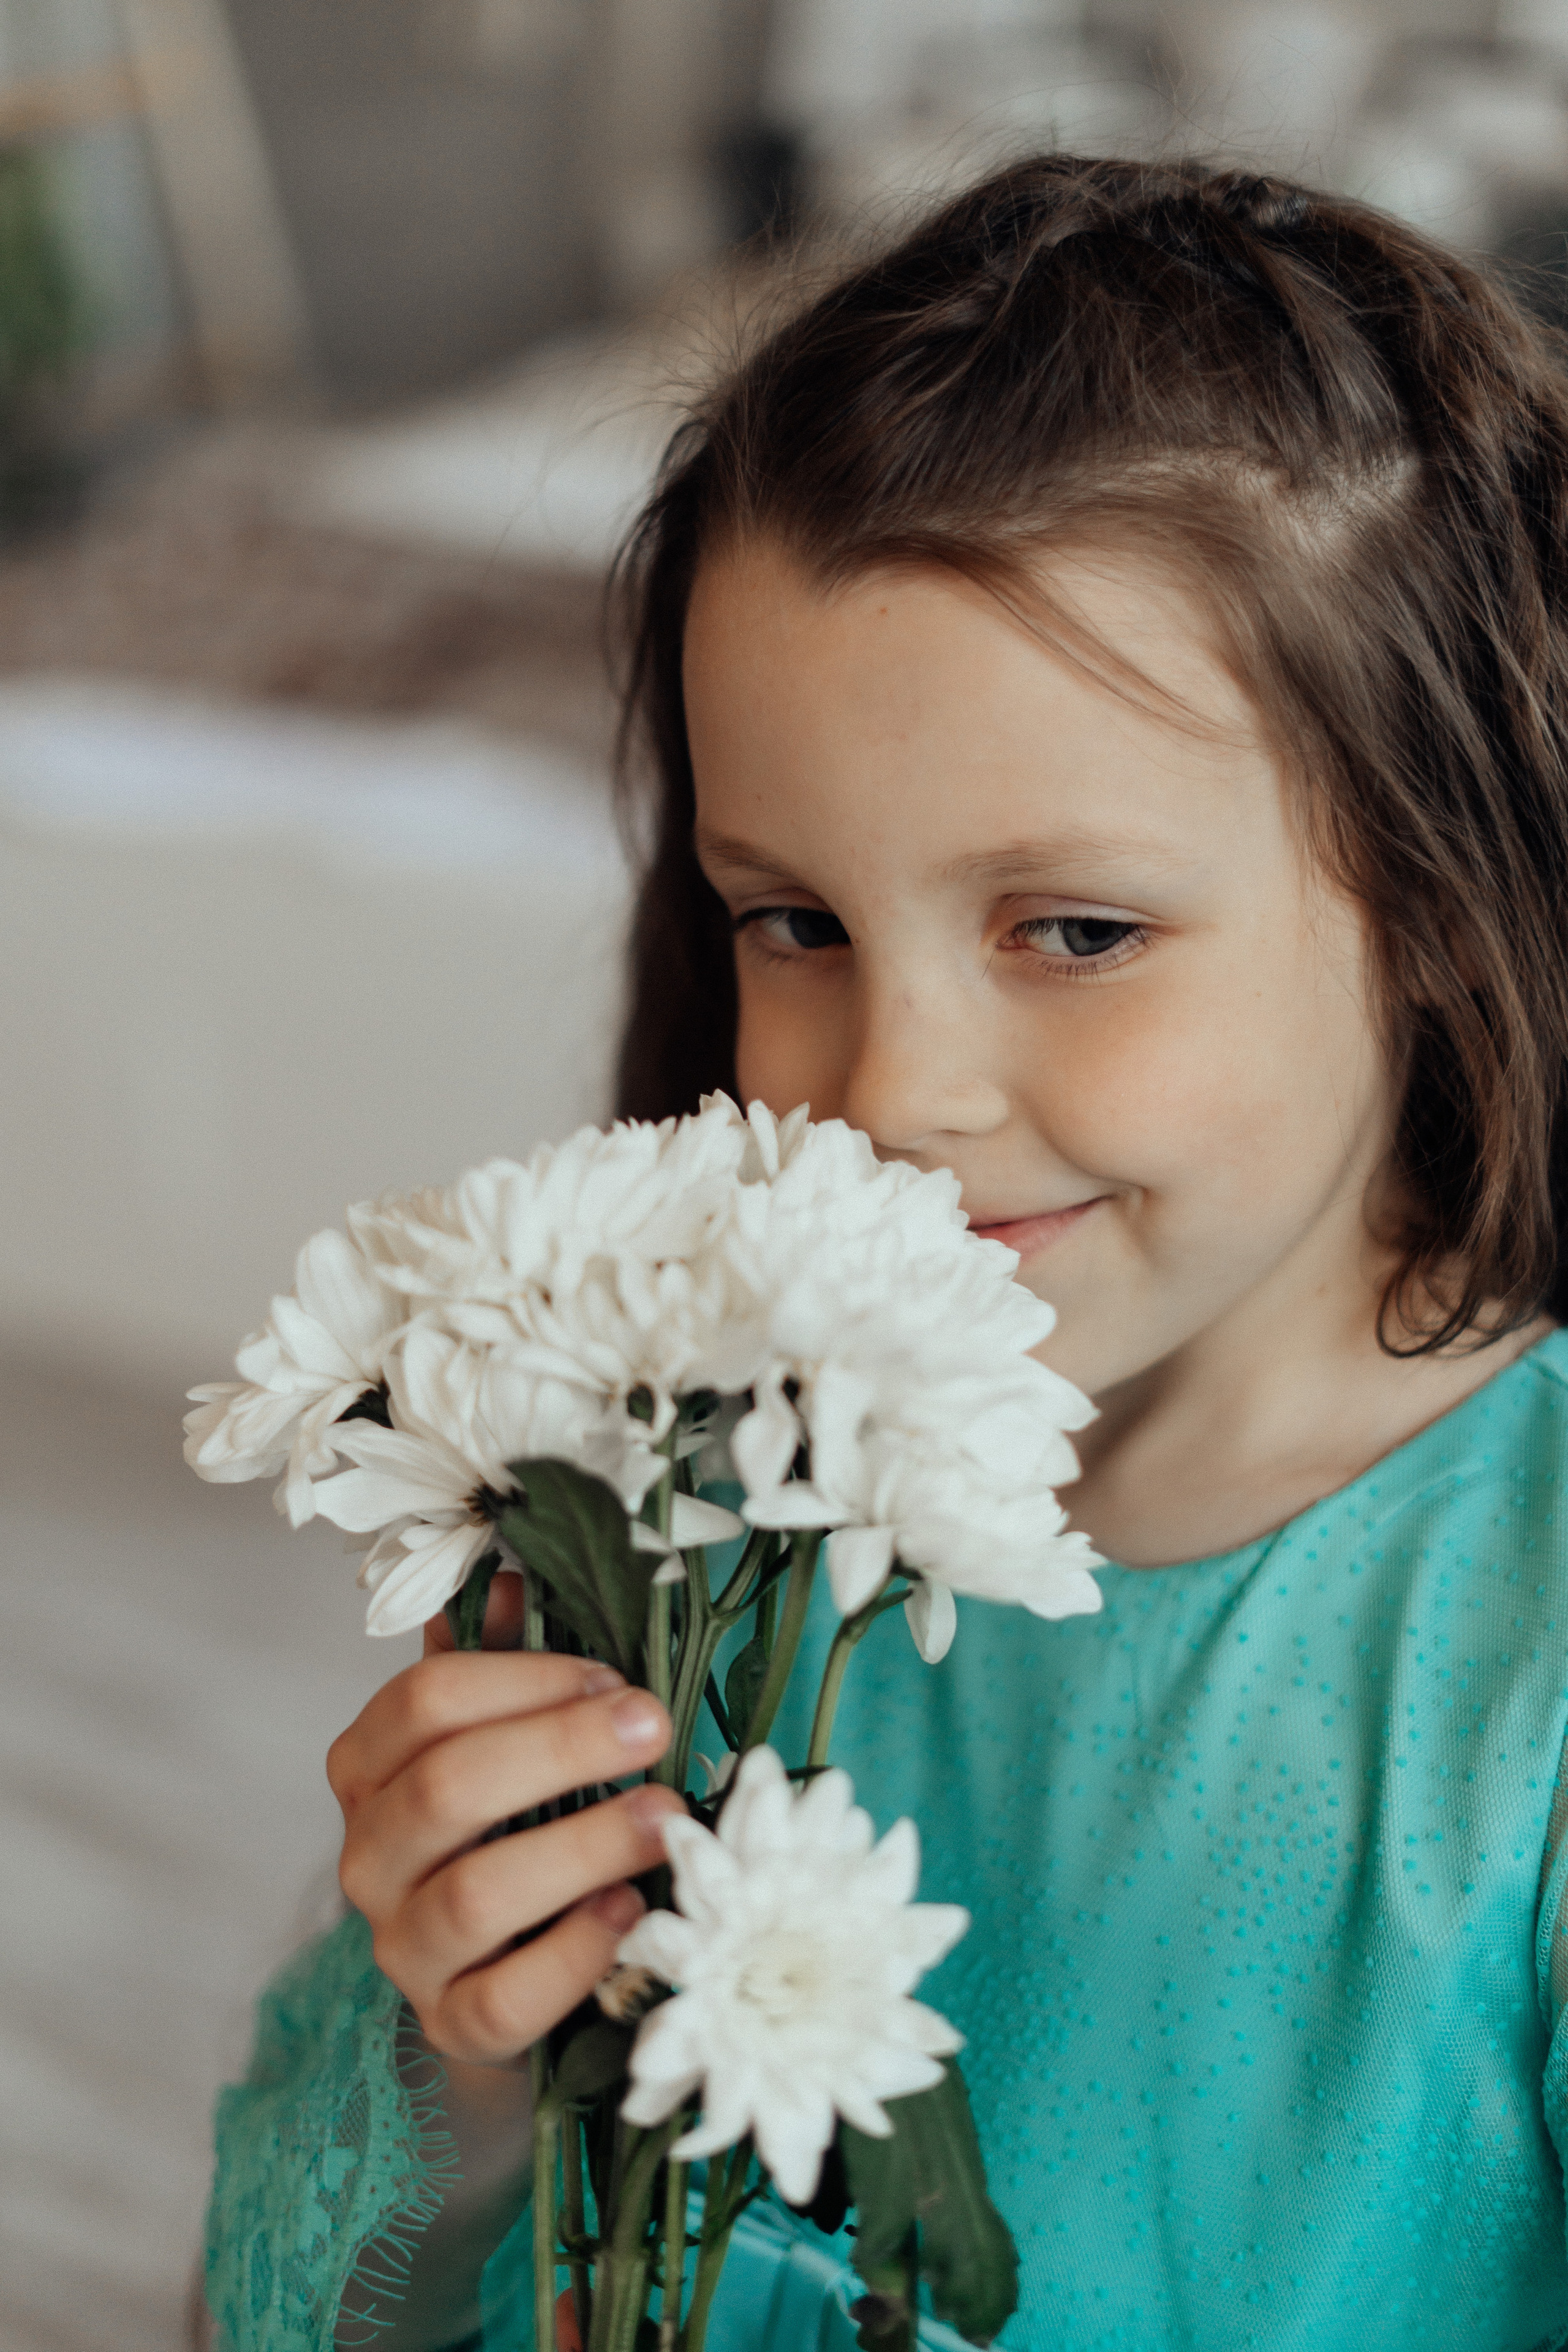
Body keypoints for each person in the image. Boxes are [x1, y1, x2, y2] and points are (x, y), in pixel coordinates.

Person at [204, 154, 1568, 2352]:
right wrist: (457, 2068)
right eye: (796, 921)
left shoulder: (1521, 1669)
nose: (892, 1088)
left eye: (1078, 931)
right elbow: (290, 2304)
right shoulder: (665, 1515)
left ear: (1439, 895)